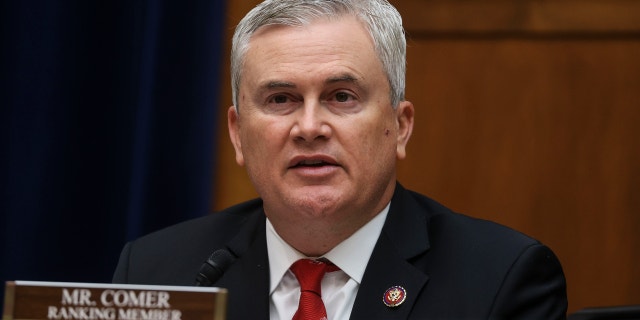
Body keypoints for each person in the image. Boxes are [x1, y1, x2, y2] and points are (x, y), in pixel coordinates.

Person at [113, 0, 568, 319]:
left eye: (342, 97)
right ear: (237, 134)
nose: (309, 127)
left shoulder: (500, 280)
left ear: (400, 126)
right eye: (281, 99)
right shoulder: (158, 272)